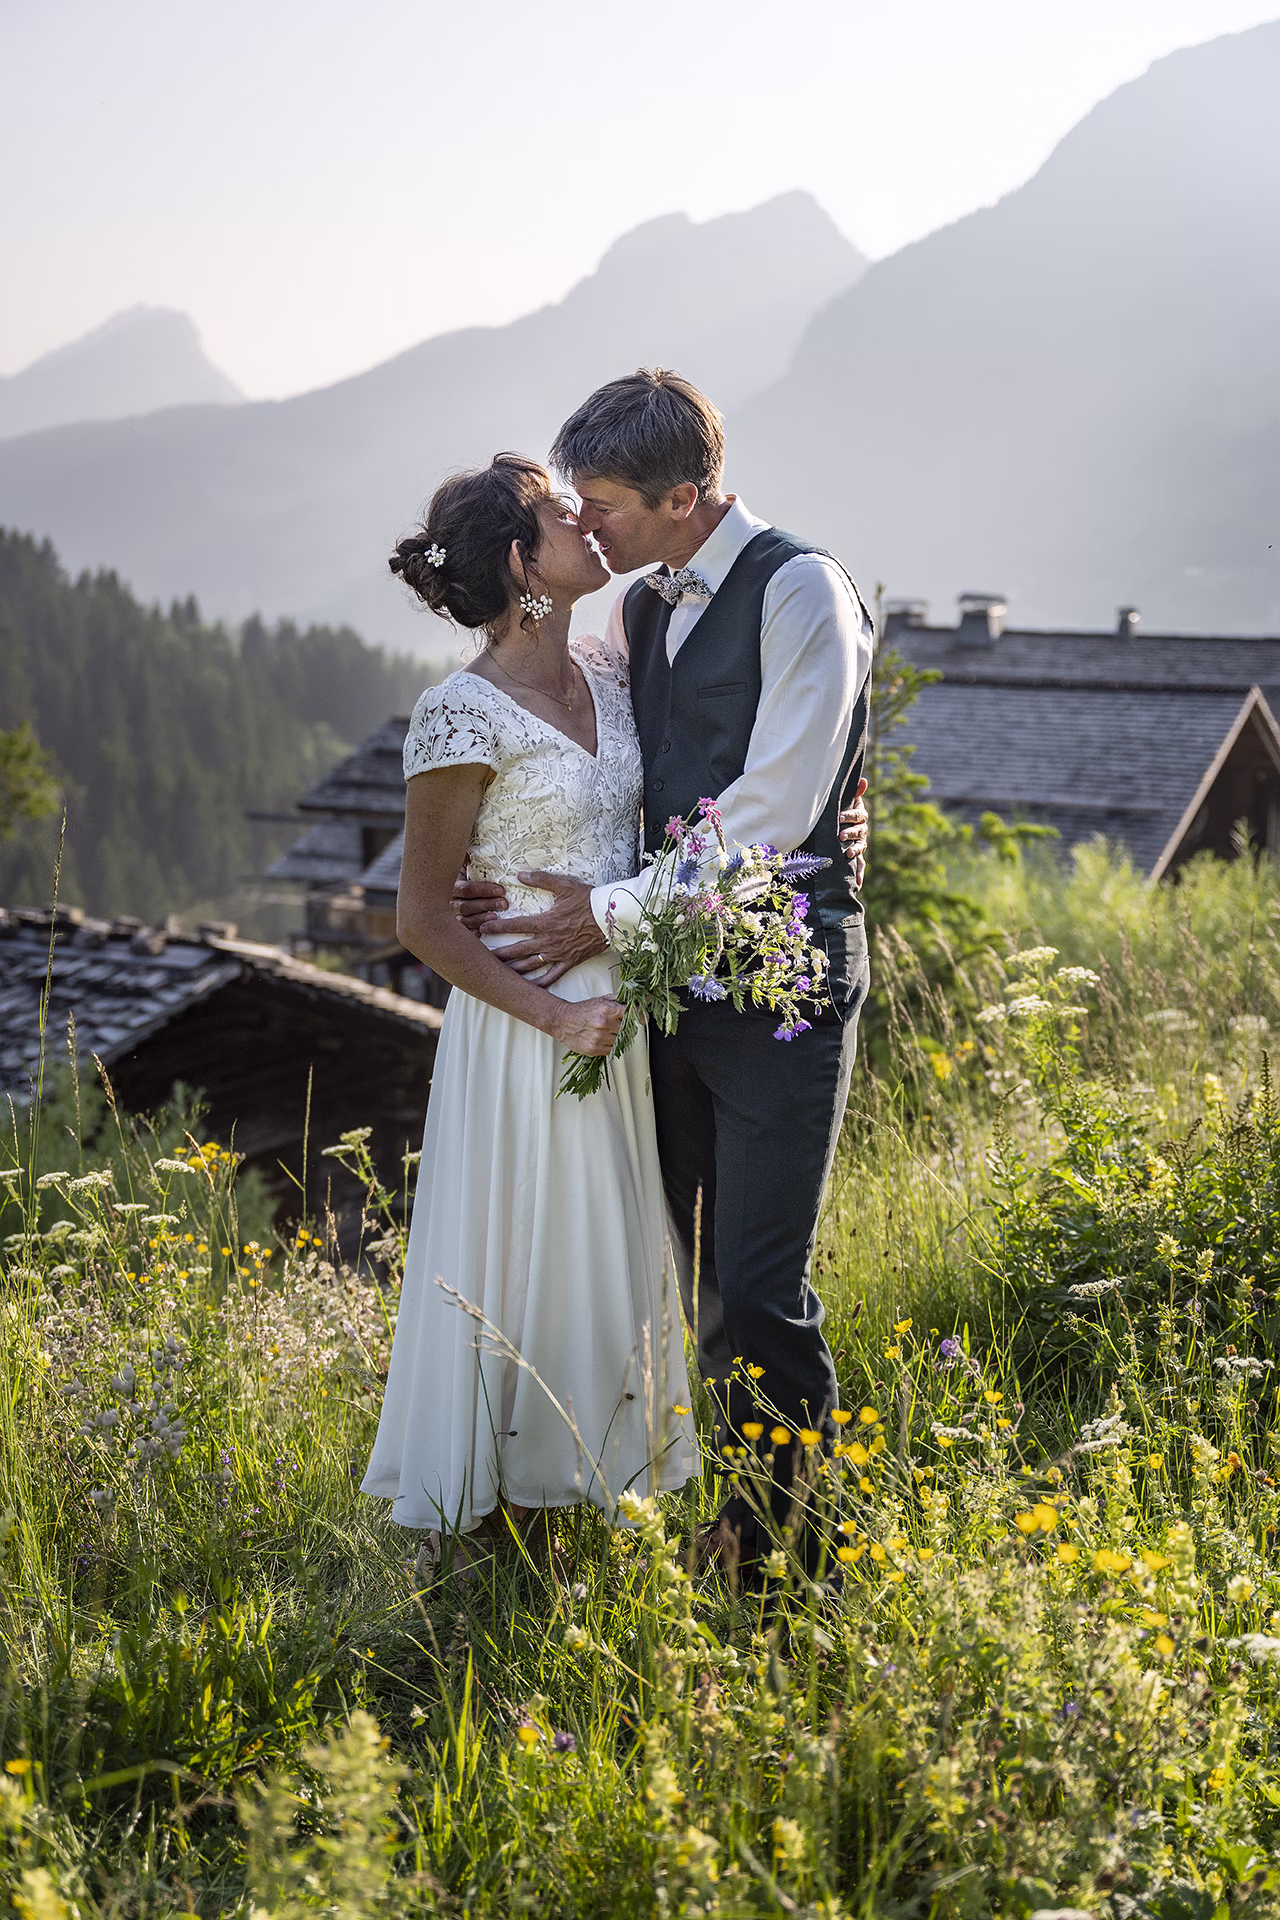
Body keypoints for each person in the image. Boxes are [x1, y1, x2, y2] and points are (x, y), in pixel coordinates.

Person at [454, 371, 873, 1576]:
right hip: (662, 994)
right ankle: (734, 1524)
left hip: (780, 988)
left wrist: (613, 912)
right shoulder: (639, 612)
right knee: (686, 1271)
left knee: (758, 1281)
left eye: (606, 507)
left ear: (682, 494)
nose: (589, 528)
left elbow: (783, 796)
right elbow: (602, 765)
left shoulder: (802, 588)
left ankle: (799, 1556)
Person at [360, 453, 697, 1561]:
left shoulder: (610, 668)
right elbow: (423, 919)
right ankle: (496, 1524)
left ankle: (591, 1485)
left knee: (605, 1252)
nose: (588, 524)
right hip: (525, 1032)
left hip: (624, 1011)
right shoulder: (459, 715)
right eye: (563, 514)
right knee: (526, 1247)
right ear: (520, 560)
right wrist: (555, 1019)